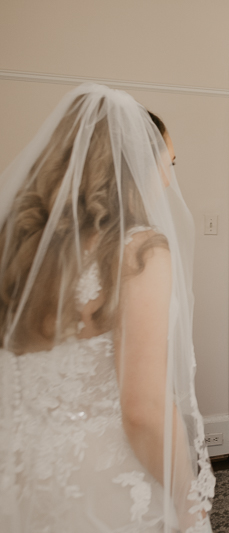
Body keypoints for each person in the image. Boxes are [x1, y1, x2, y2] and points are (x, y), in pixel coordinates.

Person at [0, 84, 215, 532]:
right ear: (135, 163)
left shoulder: (19, 241)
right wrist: (187, 501)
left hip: (23, 464)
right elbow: (143, 410)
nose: (170, 180)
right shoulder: (138, 251)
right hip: (99, 473)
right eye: (167, 164)